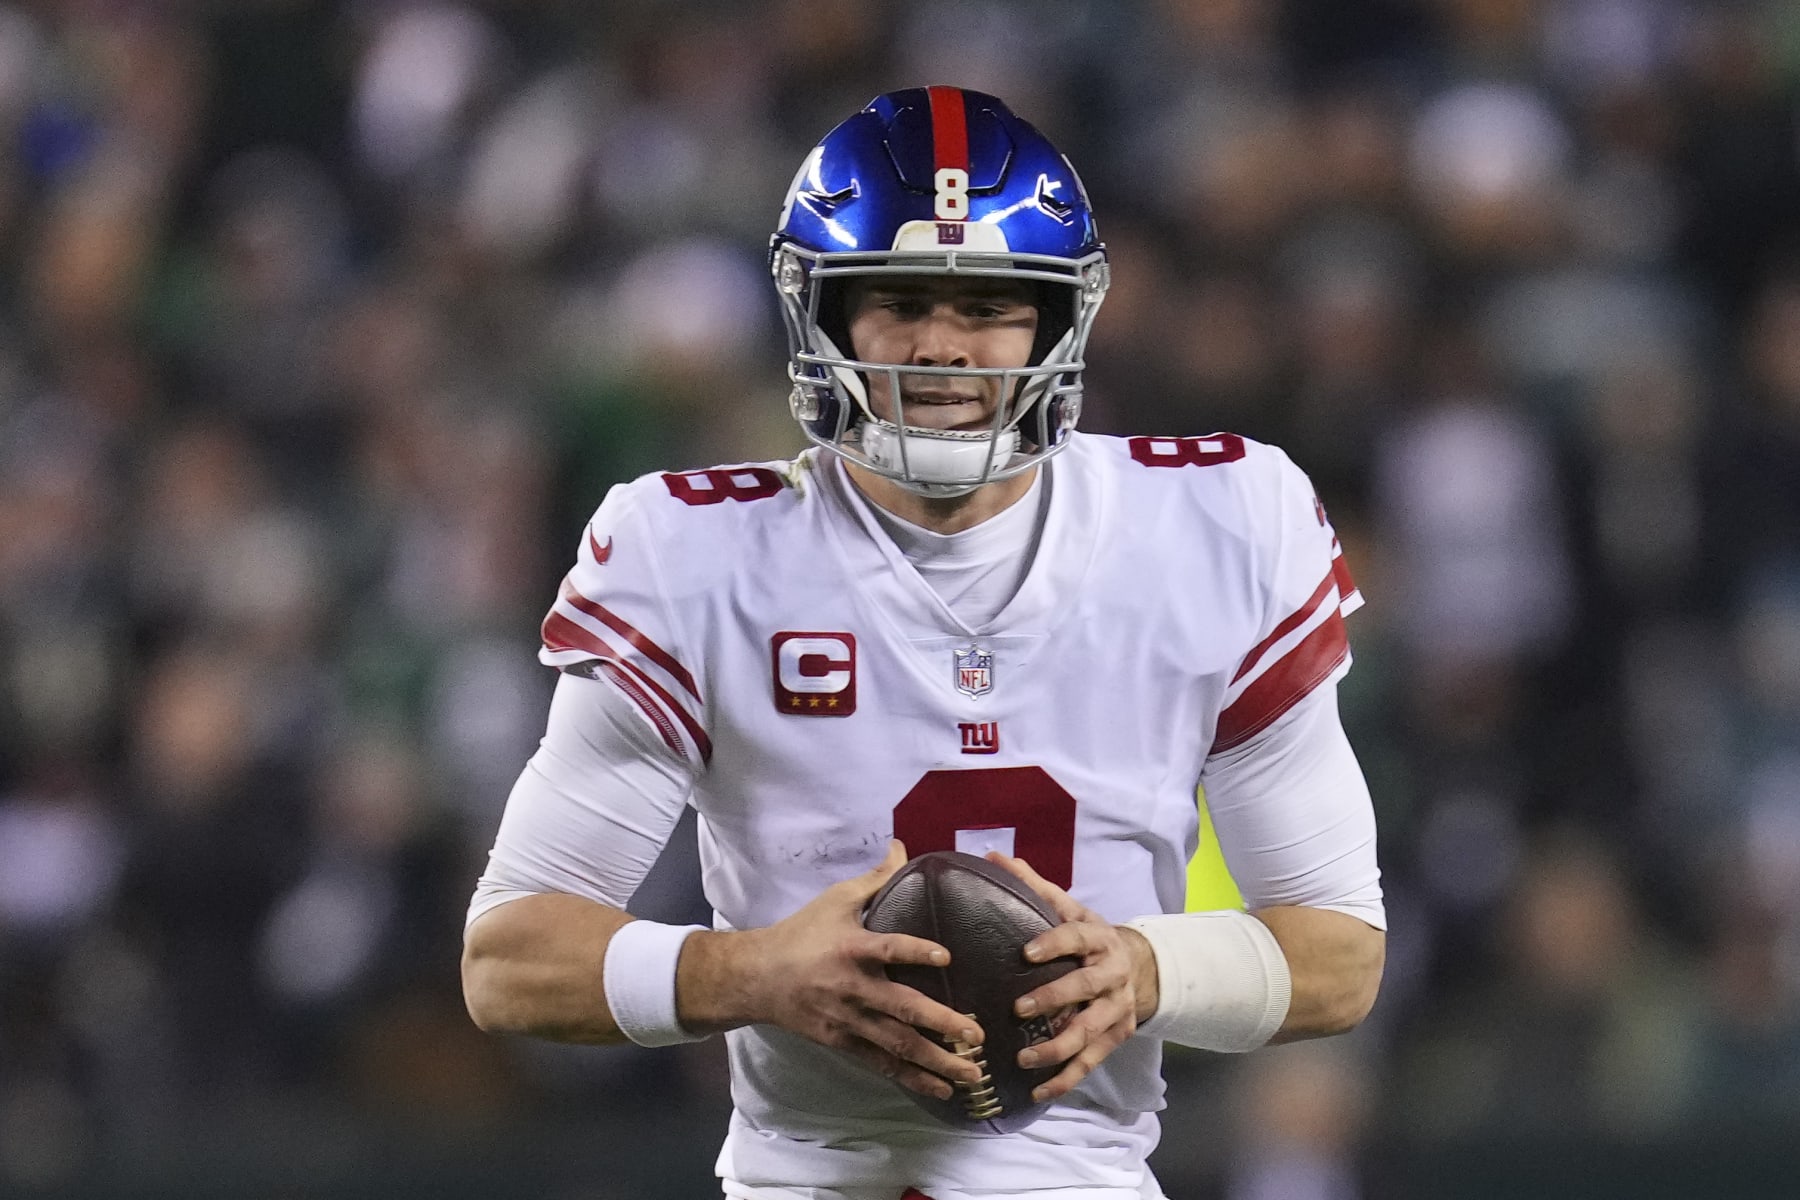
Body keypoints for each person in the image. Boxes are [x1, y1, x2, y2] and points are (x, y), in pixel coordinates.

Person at [462, 86, 1385, 1200]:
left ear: (1059, 320)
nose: (942, 345)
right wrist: (751, 973)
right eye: (897, 299)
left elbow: (1341, 954)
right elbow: (508, 960)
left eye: (990, 303)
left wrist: (1144, 969)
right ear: (825, 314)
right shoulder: (693, 552)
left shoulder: (1221, 525)